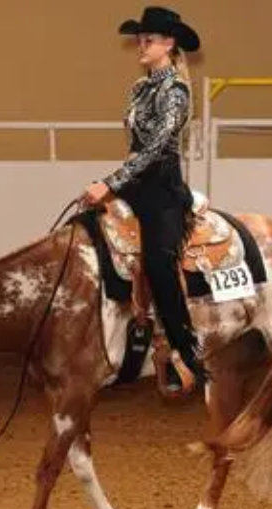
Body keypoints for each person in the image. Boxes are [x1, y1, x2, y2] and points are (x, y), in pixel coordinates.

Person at [80, 6, 206, 395]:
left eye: (148, 40)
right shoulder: (139, 88)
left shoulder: (176, 91)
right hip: (135, 182)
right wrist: (117, 184)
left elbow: (156, 147)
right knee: (85, 233)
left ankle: (187, 350)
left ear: (168, 44)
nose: (141, 45)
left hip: (162, 189)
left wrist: (111, 182)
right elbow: (136, 148)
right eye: (139, 39)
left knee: (159, 262)